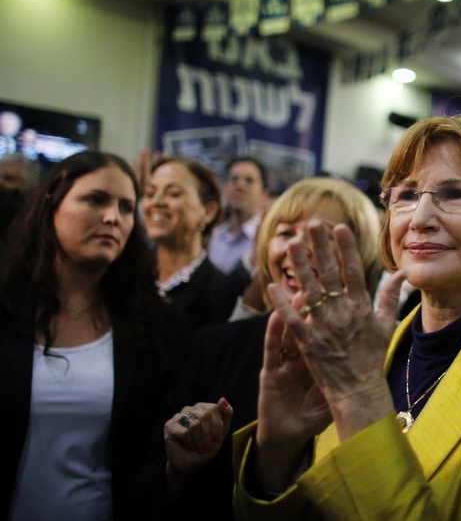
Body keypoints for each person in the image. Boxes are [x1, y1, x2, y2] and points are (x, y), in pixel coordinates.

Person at [228, 115, 461, 520]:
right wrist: (277, 452)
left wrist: (359, 399)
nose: (420, 218)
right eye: (406, 195)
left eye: (455, 194)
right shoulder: (364, 349)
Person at [152, 176, 384, 520]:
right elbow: (152, 484)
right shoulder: (216, 346)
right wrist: (179, 468)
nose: (296, 249)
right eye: (285, 233)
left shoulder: (389, 357)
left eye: (321, 235)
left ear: (360, 254)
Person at [0, 151, 188, 520]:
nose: (111, 217)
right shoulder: (6, 304)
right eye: (95, 199)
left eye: (125, 207)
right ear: (51, 202)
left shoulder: (157, 327)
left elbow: (151, 460)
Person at [142, 157, 239, 330]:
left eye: (174, 193)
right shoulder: (128, 275)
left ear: (208, 212)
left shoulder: (222, 292)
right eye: (150, 193)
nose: (156, 202)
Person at [208, 157, 271, 274]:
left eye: (249, 180)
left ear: (264, 195)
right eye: (234, 179)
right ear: (225, 190)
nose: (239, 185)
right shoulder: (215, 235)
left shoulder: (267, 240)